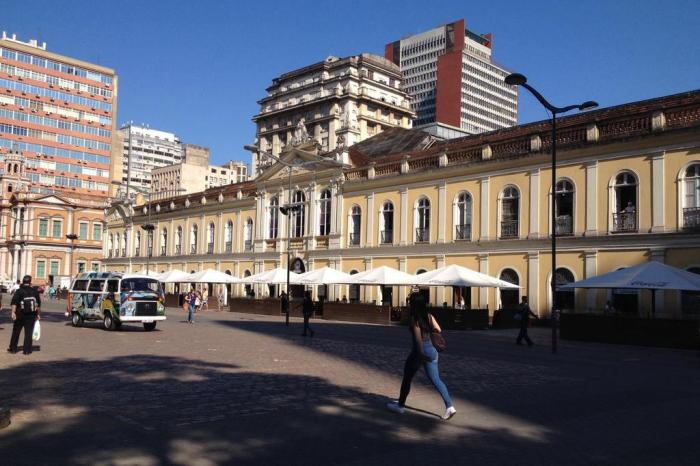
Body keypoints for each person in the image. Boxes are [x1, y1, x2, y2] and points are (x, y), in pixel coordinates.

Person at [387, 288, 456, 420]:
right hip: (433, 350)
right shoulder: (429, 316)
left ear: (413, 304)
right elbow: (438, 329)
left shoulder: (414, 320)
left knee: (407, 377)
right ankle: (449, 406)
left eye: (410, 302)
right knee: (436, 380)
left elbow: (418, 342)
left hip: (420, 352)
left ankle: (400, 406)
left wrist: (422, 356)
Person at [7, 275, 41, 355]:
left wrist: (13, 312)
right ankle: (27, 350)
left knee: (16, 331)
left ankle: (13, 349)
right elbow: (38, 305)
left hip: (20, 314)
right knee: (28, 333)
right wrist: (38, 314)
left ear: (23, 281)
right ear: (30, 282)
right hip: (31, 315)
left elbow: (14, 303)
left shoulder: (19, 291)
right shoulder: (35, 291)